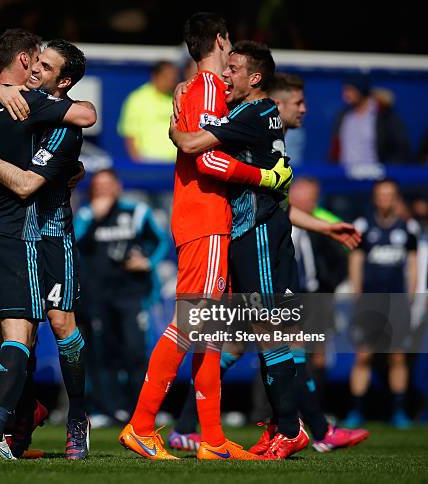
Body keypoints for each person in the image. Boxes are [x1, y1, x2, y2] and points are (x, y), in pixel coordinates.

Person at [119, 14, 292, 462]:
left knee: (209, 328)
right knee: (192, 321)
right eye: (229, 44)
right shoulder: (210, 89)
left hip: (207, 217)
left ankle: (212, 438)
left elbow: (198, 142)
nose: (232, 57)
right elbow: (207, 163)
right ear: (220, 39)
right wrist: (266, 177)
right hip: (207, 216)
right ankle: (140, 426)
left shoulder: (200, 89)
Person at [169, 73, 368, 454]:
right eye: (297, 102)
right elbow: (204, 150)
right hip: (251, 242)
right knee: (265, 336)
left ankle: (299, 427)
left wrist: (325, 228)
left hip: (269, 242)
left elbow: (281, 204)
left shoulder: (268, 135)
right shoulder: (254, 123)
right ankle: (303, 429)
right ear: (277, 104)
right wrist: (180, 103)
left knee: (251, 341)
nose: (304, 109)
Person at [0, 29, 96, 460]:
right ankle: (15, 424)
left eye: (46, 66)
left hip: (51, 234)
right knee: (19, 333)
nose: (35, 69)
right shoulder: (12, 97)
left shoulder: (63, 123)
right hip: (14, 235)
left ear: (63, 82)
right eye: (36, 62)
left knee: (59, 324)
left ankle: (77, 418)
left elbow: (86, 114)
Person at [169, 40, 311, 460]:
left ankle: (290, 428)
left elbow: (194, 145)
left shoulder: (253, 112)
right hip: (253, 231)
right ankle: (279, 426)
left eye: (233, 69)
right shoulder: (253, 113)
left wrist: (174, 127)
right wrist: (187, 84)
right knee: (261, 334)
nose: (225, 74)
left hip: (258, 232)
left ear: (255, 78)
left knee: (270, 332)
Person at [74, 169, 169, 423]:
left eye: (108, 184)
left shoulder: (136, 212)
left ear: (117, 186)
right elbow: (73, 243)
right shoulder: (85, 215)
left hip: (132, 294)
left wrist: (147, 262)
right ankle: (107, 409)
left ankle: (142, 410)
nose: (104, 189)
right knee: (102, 353)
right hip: (96, 297)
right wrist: (95, 218)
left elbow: (161, 241)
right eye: (99, 185)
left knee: (136, 351)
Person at [345, 178, 419, 429]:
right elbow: (355, 261)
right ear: (375, 198)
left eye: (390, 194)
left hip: (396, 301)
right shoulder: (363, 225)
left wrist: (409, 297)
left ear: (396, 198)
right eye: (381, 194)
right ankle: (356, 410)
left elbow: (412, 263)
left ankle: (398, 411)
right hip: (371, 302)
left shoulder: (407, 228)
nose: (385, 199)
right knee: (363, 355)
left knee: (397, 357)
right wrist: (358, 295)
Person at [329, 75, 410, 166]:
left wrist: (386, 171)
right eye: (344, 90)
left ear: (361, 90)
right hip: (344, 176)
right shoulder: (343, 116)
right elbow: (335, 150)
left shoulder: (384, 115)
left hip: (375, 177)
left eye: (349, 90)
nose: (345, 95)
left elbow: (399, 148)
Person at [117, 61, 179, 163]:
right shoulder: (137, 98)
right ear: (155, 76)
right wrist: (139, 164)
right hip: (148, 161)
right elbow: (129, 134)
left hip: (175, 162)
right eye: (166, 77)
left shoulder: (177, 98)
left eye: (173, 77)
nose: (171, 81)